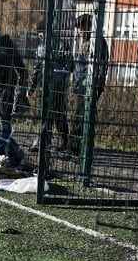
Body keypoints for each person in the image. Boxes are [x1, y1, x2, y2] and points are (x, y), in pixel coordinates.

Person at [26, 20, 72, 153]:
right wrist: (31, 88)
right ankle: (45, 140)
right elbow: (36, 69)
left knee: (58, 115)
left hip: (57, 86)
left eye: (41, 32)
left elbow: (68, 66)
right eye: (39, 33)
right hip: (43, 87)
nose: (40, 35)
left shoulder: (62, 45)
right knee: (44, 114)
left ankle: (64, 141)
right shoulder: (40, 48)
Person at [69, 13, 109, 157]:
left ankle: (77, 150)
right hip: (81, 86)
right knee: (80, 117)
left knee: (82, 118)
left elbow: (101, 67)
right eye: (78, 27)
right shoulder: (85, 42)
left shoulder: (97, 43)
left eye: (81, 26)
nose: (79, 30)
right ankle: (78, 149)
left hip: (90, 87)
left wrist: (93, 86)